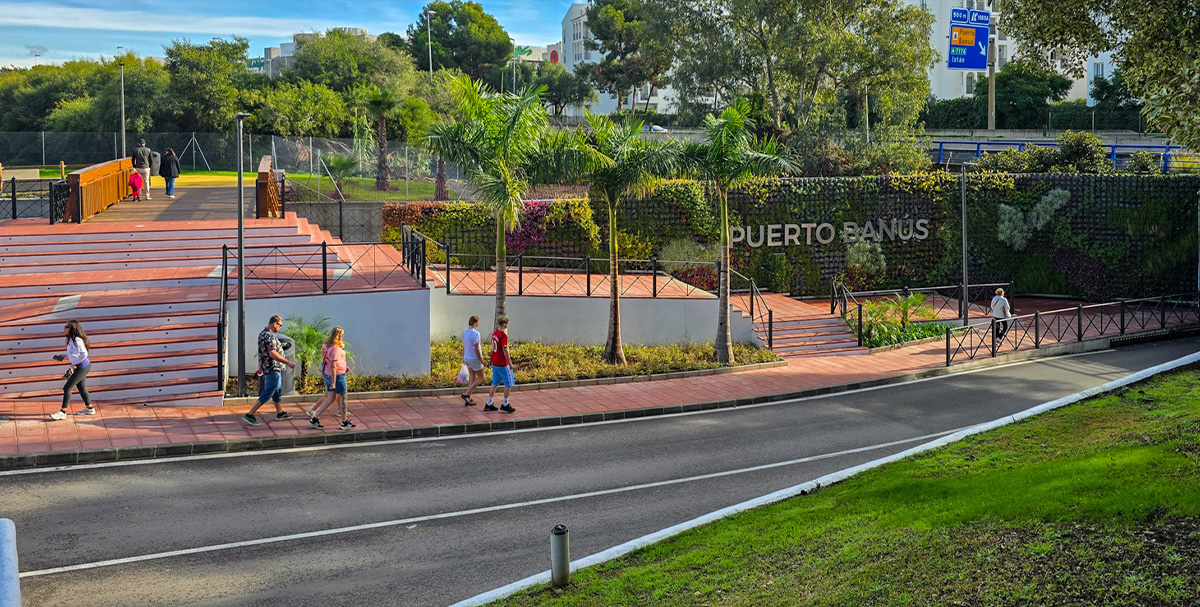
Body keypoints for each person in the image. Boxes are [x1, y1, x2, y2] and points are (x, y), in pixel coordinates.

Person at [243, 315, 296, 425]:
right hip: (273, 368)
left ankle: (280, 412)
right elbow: (272, 353)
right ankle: (250, 414)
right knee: (268, 392)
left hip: (268, 367)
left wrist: (260, 368)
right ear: (274, 324)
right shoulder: (270, 336)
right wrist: (288, 362)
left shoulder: (262, 334)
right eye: (280, 325)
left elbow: (262, 352)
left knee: (276, 390)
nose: (280, 328)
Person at [307, 326, 354, 430]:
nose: (342, 337)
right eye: (341, 335)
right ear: (338, 336)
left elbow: (329, 361)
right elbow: (333, 365)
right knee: (343, 399)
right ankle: (344, 422)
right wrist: (334, 382)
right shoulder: (336, 348)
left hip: (327, 374)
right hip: (337, 377)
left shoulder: (326, 345)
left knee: (330, 398)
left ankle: (314, 418)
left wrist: (344, 367)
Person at [50, 320, 94, 420]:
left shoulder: (77, 340)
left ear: (72, 329)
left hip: (82, 367)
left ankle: (62, 412)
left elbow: (84, 354)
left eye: (66, 326)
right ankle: (90, 408)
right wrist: (65, 356)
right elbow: (74, 352)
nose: (64, 328)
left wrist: (74, 362)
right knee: (81, 388)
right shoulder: (71, 339)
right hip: (80, 366)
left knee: (67, 388)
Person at [485, 316, 516, 414]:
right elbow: (505, 349)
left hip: (495, 362)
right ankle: (505, 404)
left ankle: (489, 402)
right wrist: (510, 362)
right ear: (504, 324)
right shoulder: (503, 335)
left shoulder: (494, 334)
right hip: (502, 363)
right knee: (509, 383)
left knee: (494, 383)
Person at [460, 315, 485, 406]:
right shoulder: (476, 334)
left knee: (473, 376)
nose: (478, 324)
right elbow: (476, 348)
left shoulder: (465, 332)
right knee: (481, 377)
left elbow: (465, 345)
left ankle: (468, 398)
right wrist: (481, 360)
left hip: (467, 357)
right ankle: (466, 393)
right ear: (474, 323)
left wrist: (464, 357)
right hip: (474, 359)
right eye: (477, 322)